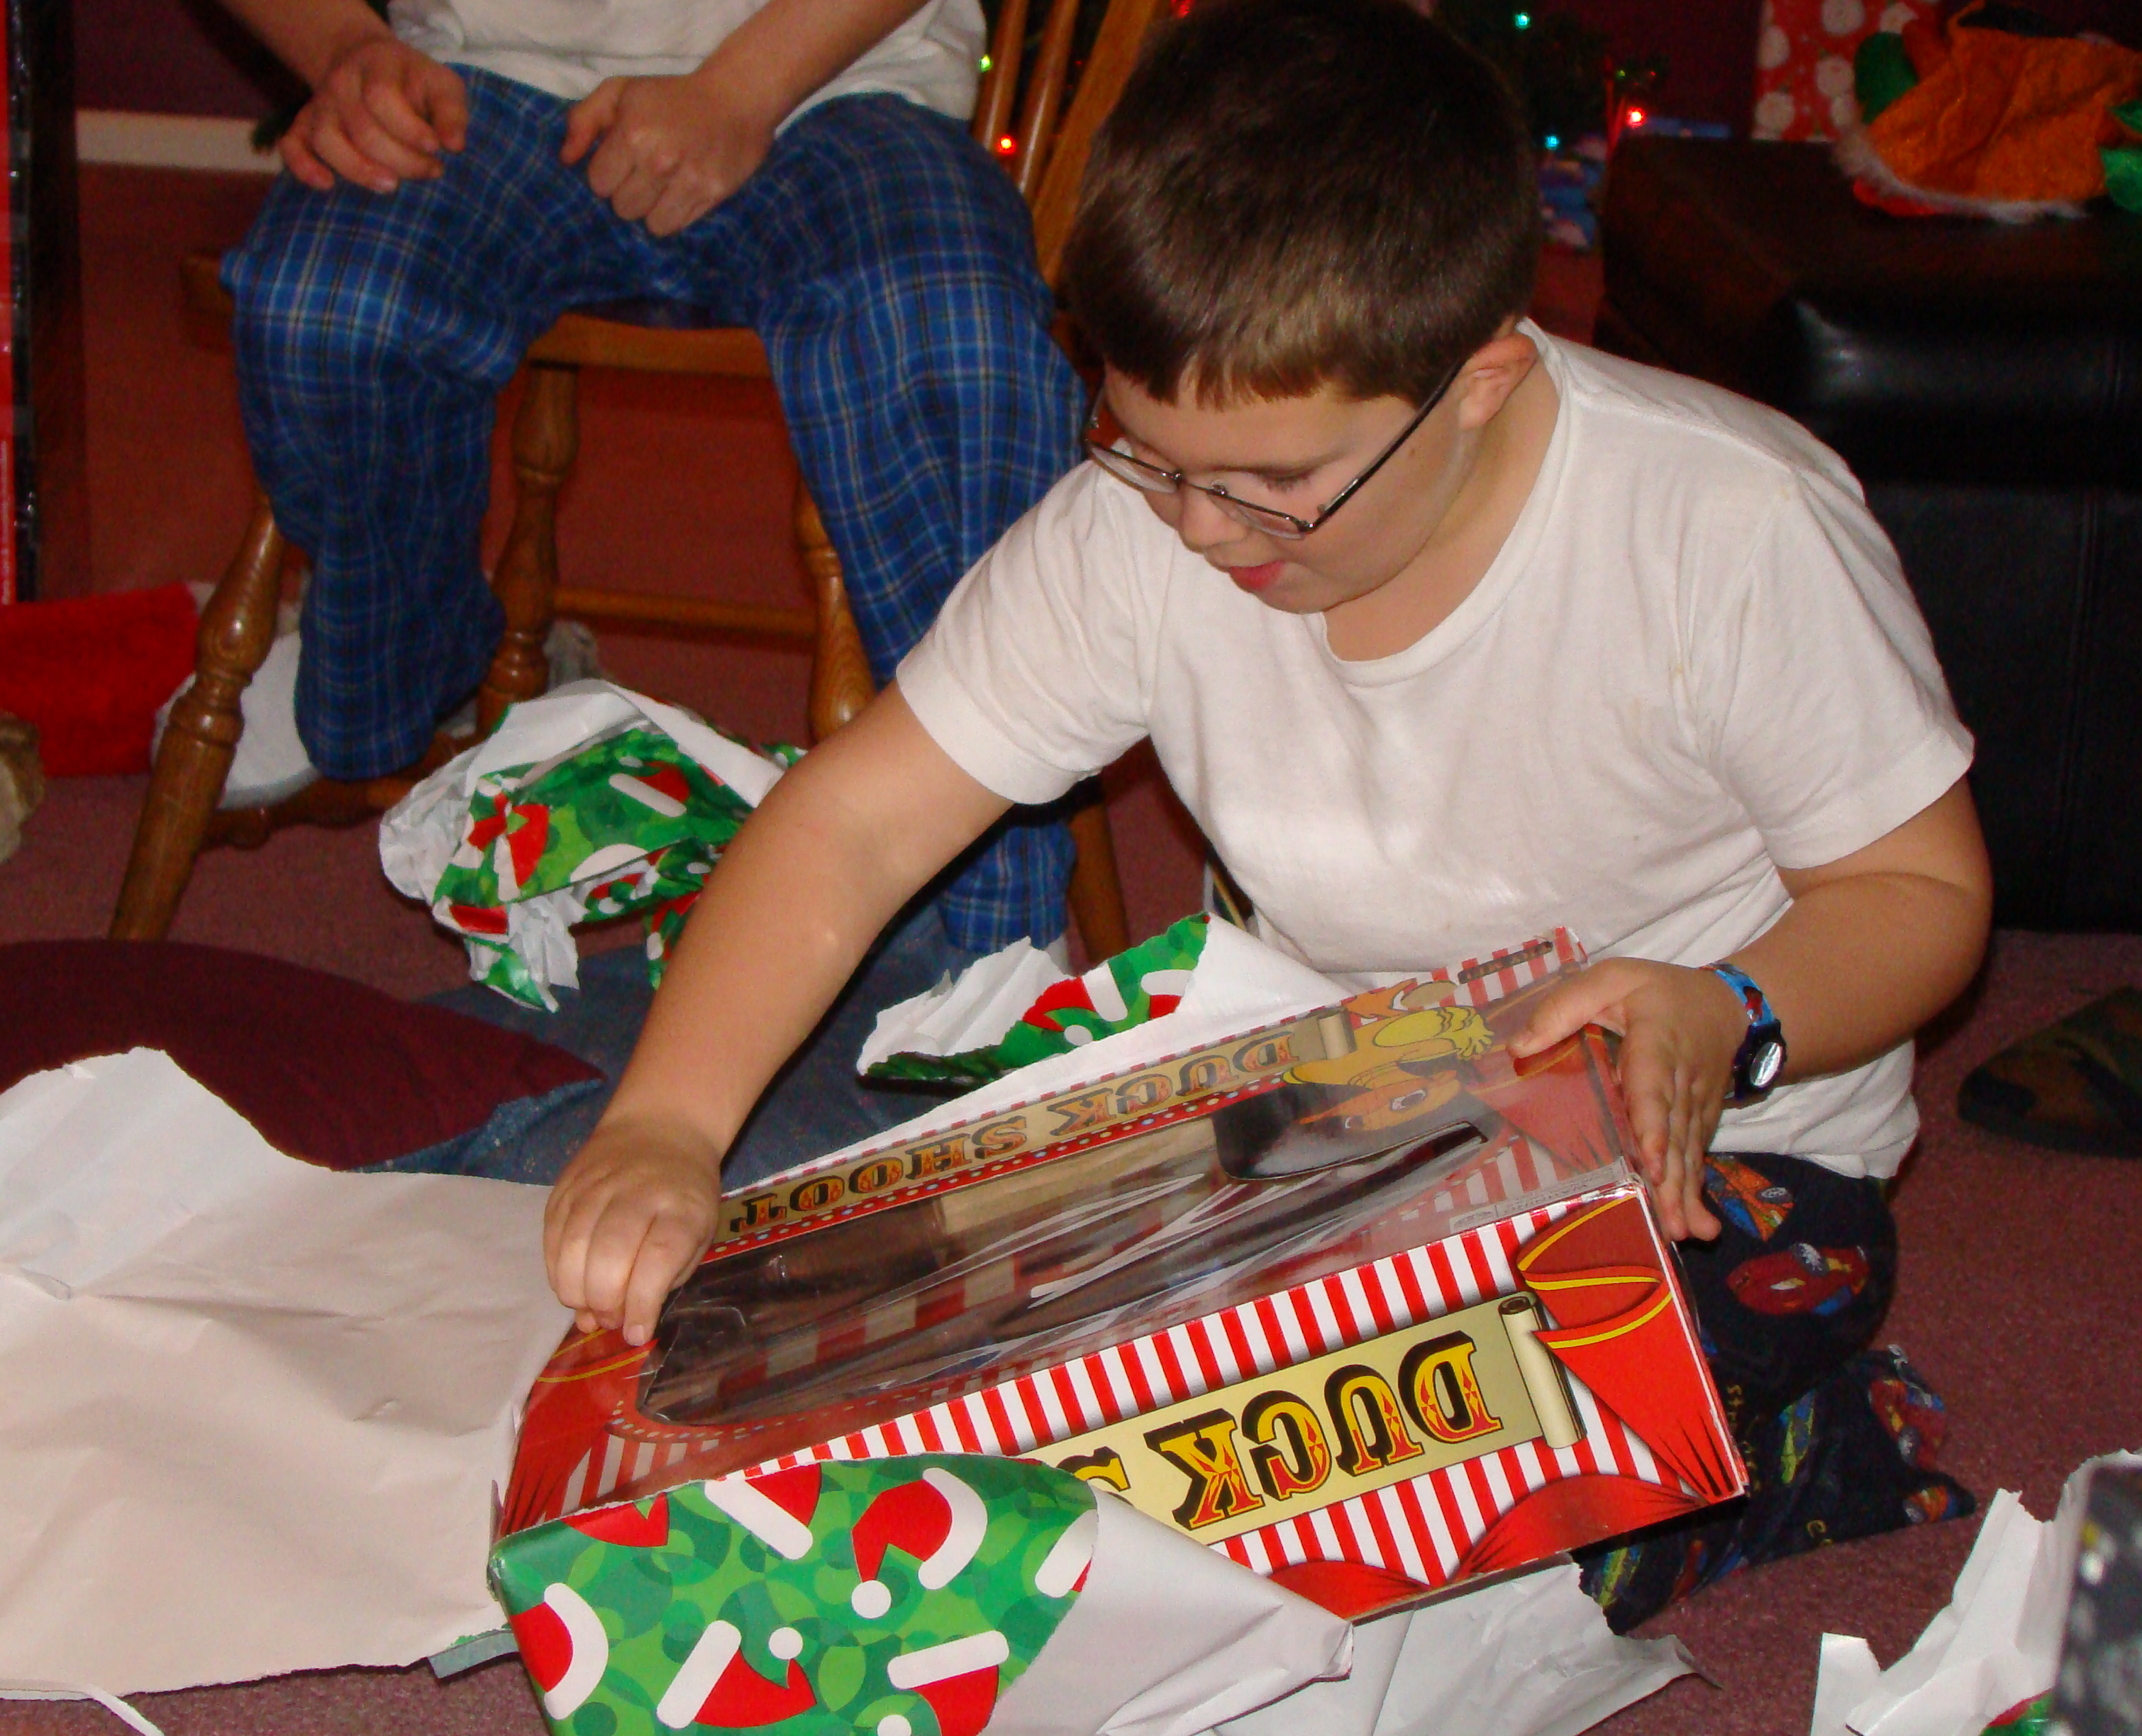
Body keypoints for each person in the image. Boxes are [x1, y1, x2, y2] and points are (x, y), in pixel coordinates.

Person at [542, 0, 1993, 1625]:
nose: (1201, 529)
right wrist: (666, 1126)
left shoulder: (1726, 526)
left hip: (1717, 1169)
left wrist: (1730, 1009)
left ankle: (1812, 1451)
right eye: (1149, 452)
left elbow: (1924, 894)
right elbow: (857, 824)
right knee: (1038, 1458)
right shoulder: (1145, 524)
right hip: (1322, 1125)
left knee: (1399, 1565)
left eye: (1271, 487)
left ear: (1482, 379)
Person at [212, 0, 1087, 976]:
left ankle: (999, 935)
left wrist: (741, 88)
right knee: (329, 312)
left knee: (951, 348)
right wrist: (347, 48)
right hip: (474, 79)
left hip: (844, 81)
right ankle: (427, 660)